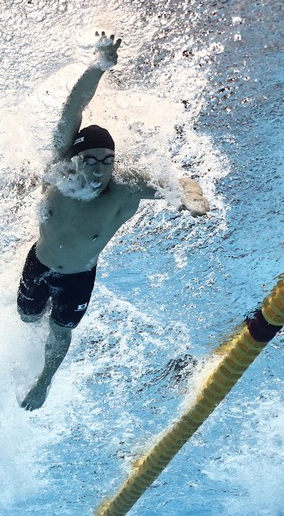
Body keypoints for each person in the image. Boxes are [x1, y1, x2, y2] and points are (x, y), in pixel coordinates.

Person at [18, 31, 209, 410]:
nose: (100, 169)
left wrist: (191, 198)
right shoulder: (60, 171)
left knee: (60, 329)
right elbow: (73, 107)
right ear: (75, 158)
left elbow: (180, 182)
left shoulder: (124, 188)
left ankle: (44, 380)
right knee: (27, 319)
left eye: (108, 160)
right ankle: (35, 326)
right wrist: (98, 66)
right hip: (38, 263)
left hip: (79, 277)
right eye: (91, 159)